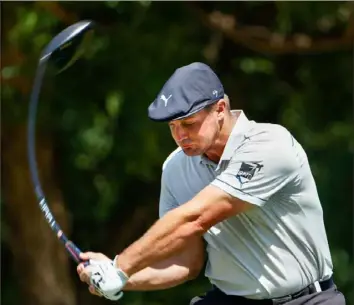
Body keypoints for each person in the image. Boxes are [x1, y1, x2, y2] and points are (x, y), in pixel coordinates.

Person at [77, 62, 346, 305]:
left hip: (308, 300)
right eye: (172, 126)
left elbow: (195, 218)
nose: (180, 136)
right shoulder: (175, 168)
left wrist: (121, 266)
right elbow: (186, 262)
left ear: (220, 109)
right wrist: (119, 276)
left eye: (189, 123)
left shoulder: (270, 144)